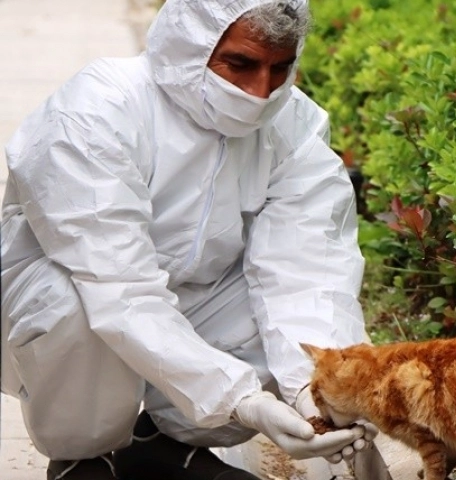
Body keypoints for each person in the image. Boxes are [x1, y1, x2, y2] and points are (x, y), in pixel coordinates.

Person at [0, 1, 378, 479]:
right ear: (189, 44)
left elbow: (308, 272)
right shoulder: (94, 112)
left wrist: (322, 395)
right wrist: (240, 399)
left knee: (289, 312)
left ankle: (168, 445)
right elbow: (119, 288)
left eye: (279, 69)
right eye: (239, 64)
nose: (260, 92)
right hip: (88, 295)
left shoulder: (294, 129)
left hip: (192, 296)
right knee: (70, 301)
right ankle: (82, 455)